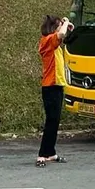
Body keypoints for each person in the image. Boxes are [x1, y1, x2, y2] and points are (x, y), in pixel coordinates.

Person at [37, 15, 72, 167]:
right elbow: (61, 34)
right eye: (58, 26)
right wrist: (66, 23)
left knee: (55, 121)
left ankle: (50, 152)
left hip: (57, 85)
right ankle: (42, 155)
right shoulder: (47, 41)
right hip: (50, 86)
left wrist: (67, 26)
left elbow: (64, 36)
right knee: (51, 121)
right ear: (53, 29)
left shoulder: (55, 43)